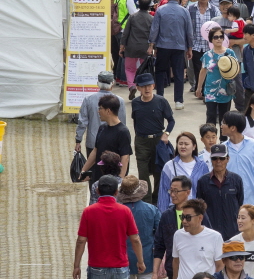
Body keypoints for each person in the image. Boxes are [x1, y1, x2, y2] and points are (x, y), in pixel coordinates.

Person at [172, 198, 224, 279]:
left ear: (200, 218)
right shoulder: (178, 235)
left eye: (188, 217)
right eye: (182, 217)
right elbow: (176, 261)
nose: (184, 221)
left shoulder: (215, 237)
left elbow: (220, 265)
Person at [130, 72, 175, 204]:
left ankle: (157, 200)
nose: (147, 89)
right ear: (138, 88)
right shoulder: (135, 103)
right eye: (143, 86)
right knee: (143, 173)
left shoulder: (161, 101)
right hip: (141, 141)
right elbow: (135, 121)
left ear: (154, 86)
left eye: (149, 86)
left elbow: (171, 120)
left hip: (158, 141)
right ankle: (146, 201)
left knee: (158, 173)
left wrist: (166, 134)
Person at [148, 0, 193, 110]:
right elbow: (189, 31)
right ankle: (178, 101)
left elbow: (154, 29)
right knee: (179, 73)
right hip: (179, 46)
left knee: (161, 71)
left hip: (163, 45)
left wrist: (151, 44)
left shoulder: (161, 10)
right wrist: (189, 47)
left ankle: (160, 96)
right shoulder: (184, 11)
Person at [117, 176, 161, 279]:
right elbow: (159, 235)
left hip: (123, 259)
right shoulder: (152, 209)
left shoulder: (118, 211)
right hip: (147, 258)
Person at [78, 93, 132, 185]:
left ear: (108, 111)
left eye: (100, 108)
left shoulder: (123, 131)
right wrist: (84, 170)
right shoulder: (102, 128)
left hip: (113, 180)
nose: (98, 111)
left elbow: (125, 157)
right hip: (99, 176)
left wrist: (120, 180)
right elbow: (95, 151)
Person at [221, 110, 254, 208]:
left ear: (233, 128)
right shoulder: (222, 149)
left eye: (224, 123)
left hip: (252, 200)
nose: (221, 125)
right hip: (228, 200)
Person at [195, 25, 239, 130]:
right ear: (211, 39)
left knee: (224, 119)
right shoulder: (207, 55)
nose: (219, 39)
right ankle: (210, 142)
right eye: (215, 37)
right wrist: (199, 87)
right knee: (210, 117)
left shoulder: (230, 52)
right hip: (210, 90)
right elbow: (203, 71)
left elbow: (236, 69)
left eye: (221, 36)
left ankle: (223, 142)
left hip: (226, 90)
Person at [75, 70, 126, 158]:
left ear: (98, 83)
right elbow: (122, 123)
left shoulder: (88, 99)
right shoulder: (119, 101)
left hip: (93, 141)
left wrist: (78, 140)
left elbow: (82, 122)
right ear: (112, 83)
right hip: (113, 143)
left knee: (93, 168)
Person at [157, 131, 208, 213]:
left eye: (186, 144)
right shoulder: (169, 166)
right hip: (175, 210)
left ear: (194, 146)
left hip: (196, 211)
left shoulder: (202, 166)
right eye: (180, 144)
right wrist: (162, 214)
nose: (183, 146)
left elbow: (206, 192)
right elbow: (163, 192)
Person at [120, 0, 153, 98]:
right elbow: (153, 35)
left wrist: (122, 47)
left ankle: (132, 86)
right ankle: (142, 88)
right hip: (145, 48)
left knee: (130, 69)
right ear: (149, 6)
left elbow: (126, 33)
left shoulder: (132, 17)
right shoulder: (151, 19)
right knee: (143, 69)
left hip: (131, 47)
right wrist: (152, 47)